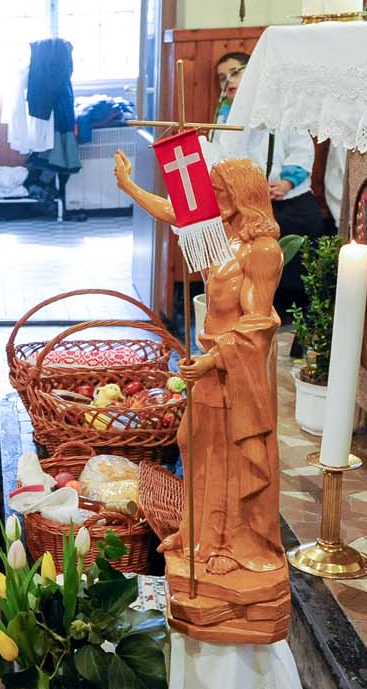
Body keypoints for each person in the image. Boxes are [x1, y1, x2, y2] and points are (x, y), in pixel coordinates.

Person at [115, 150, 287, 641]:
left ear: (242, 195)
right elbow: (175, 212)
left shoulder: (261, 252)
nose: (212, 198)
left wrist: (214, 360)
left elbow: (259, 325)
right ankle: (199, 532)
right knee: (194, 442)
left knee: (229, 455)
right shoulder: (218, 234)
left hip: (236, 371)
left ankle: (229, 543)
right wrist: (129, 186)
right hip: (209, 363)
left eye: (221, 191)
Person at [208, 51, 329, 318]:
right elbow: (221, 157)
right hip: (251, 209)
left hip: (290, 202)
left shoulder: (281, 111)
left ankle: (299, 321)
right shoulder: (224, 120)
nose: (229, 80)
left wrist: (286, 181)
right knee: (261, 276)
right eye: (222, 77)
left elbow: (301, 148)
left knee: (297, 271)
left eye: (235, 73)